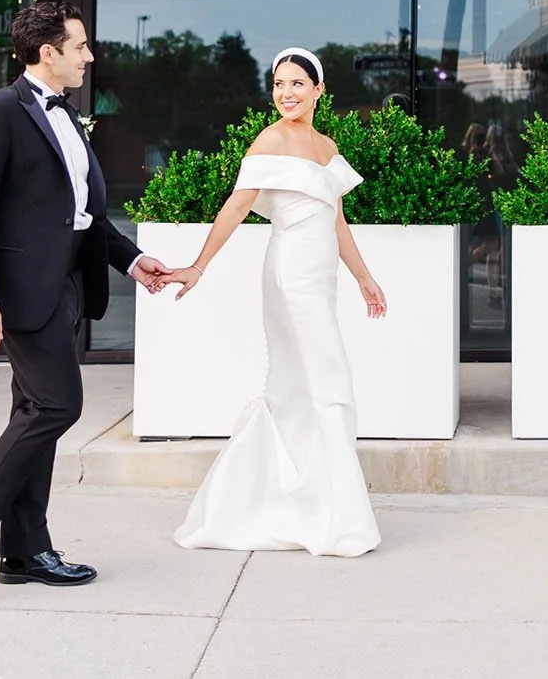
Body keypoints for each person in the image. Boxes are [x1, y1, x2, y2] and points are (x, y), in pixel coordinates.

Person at [0, 1, 175, 595]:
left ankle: (26, 551)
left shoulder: (68, 116)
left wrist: (133, 258)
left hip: (68, 287)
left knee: (32, 414)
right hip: (20, 293)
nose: (90, 57)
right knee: (55, 407)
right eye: (81, 47)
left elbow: (84, 215)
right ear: (48, 53)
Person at [161, 47, 387, 558]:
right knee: (328, 384)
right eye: (278, 84)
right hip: (290, 275)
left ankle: (308, 507)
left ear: (318, 90)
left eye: (296, 84)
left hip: (321, 275)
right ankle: (335, 521)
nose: (285, 92)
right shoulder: (270, 139)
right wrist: (199, 265)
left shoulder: (327, 147)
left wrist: (364, 278)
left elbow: (337, 222)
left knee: (302, 388)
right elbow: (237, 205)